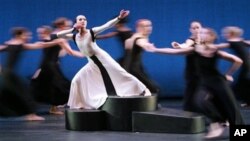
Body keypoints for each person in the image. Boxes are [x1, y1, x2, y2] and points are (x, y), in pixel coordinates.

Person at [148, 27, 244, 139]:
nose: (201, 34)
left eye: (205, 32)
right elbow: (174, 52)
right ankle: (217, 123)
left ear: (212, 36)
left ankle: (240, 133)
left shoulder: (214, 50)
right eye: (201, 33)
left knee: (230, 106)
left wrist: (229, 74)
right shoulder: (194, 50)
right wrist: (155, 49)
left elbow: (237, 60)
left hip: (218, 82)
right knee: (199, 101)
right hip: (205, 83)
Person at [56, 10, 151, 110]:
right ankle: (77, 103)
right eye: (80, 19)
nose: (83, 21)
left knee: (121, 73)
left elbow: (107, 25)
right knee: (76, 80)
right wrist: (72, 29)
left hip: (103, 59)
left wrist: (119, 18)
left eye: (85, 19)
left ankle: (143, 89)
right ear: (76, 22)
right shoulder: (74, 36)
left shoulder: (91, 32)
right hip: (92, 63)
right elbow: (58, 35)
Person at [0, 27, 73, 121]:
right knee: (23, 93)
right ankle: (30, 115)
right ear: (19, 35)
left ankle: (30, 114)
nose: (29, 36)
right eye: (26, 35)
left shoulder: (11, 44)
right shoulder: (18, 45)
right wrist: (57, 42)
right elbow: (39, 45)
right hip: (9, 74)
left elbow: (39, 45)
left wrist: (56, 42)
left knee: (10, 94)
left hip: (7, 74)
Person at [31, 24, 83, 115]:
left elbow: (68, 52)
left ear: (47, 32)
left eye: (41, 33)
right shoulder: (52, 40)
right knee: (50, 86)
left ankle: (55, 107)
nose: (39, 35)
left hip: (50, 66)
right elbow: (69, 52)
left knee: (55, 86)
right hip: (48, 66)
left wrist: (84, 54)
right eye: (39, 33)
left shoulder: (56, 39)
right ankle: (37, 110)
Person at [124, 19, 159, 93]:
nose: (149, 28)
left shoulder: (136, 36)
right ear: (138, 28)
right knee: (154, 88)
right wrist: (147, 46)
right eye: (145, 26)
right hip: (134, 69)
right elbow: (141, 43)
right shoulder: (139, 38)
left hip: (135, 67)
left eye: (150, 25)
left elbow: (128, 44)